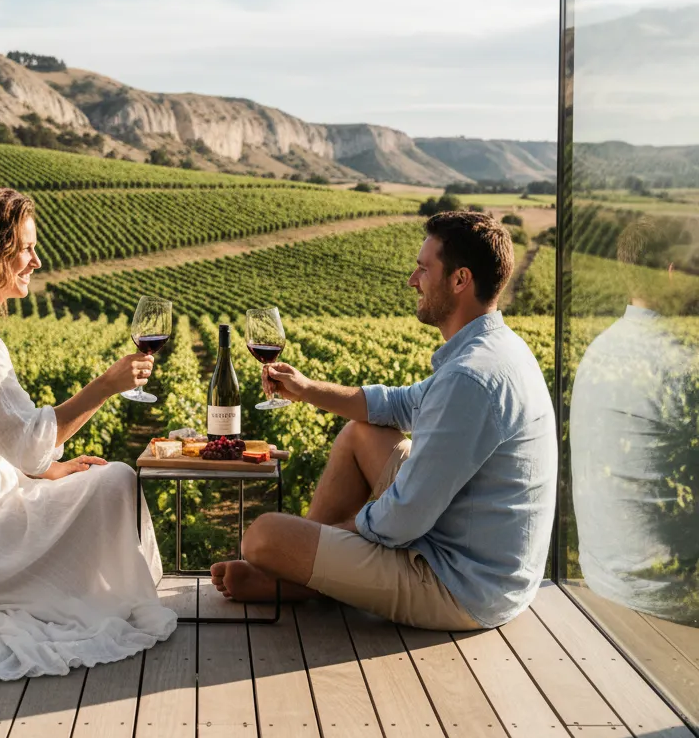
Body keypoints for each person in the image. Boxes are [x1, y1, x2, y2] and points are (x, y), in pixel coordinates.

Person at [211, 211, 558, 631]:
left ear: (460, 279)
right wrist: (305, 389)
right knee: (361, 432)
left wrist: (332, 538)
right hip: (473, 546)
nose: (413, 279)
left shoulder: (470, 378)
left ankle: (302, 576)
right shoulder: (494, 347)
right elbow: (394, 405)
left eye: (424, 268)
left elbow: (404, 519)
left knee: (264, 537)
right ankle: (303, 574)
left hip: (460, 584)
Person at [0, 186, 176, 680]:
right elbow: (30, 446)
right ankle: (103, 592)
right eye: (26, 247)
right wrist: (107, 385)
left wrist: (49, 470)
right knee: (115, 480)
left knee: (82, 480)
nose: (36, 259)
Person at [571, 219, 699, 622]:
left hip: (606, 577)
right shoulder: (682, 363)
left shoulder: (600, 350)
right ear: (672, 273)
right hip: (671, 596)